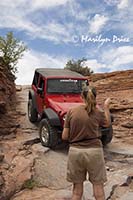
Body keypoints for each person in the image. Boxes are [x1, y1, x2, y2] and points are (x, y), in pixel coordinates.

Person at [62, 86, 111, 200]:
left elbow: (64, 136)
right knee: (99, 189)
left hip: (75, 152)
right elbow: (107, 124)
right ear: (95, 97)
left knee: (76, 192)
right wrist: (106, 107)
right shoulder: (98, 112)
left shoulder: (71, 111)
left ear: (81, 97)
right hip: (95, 152)